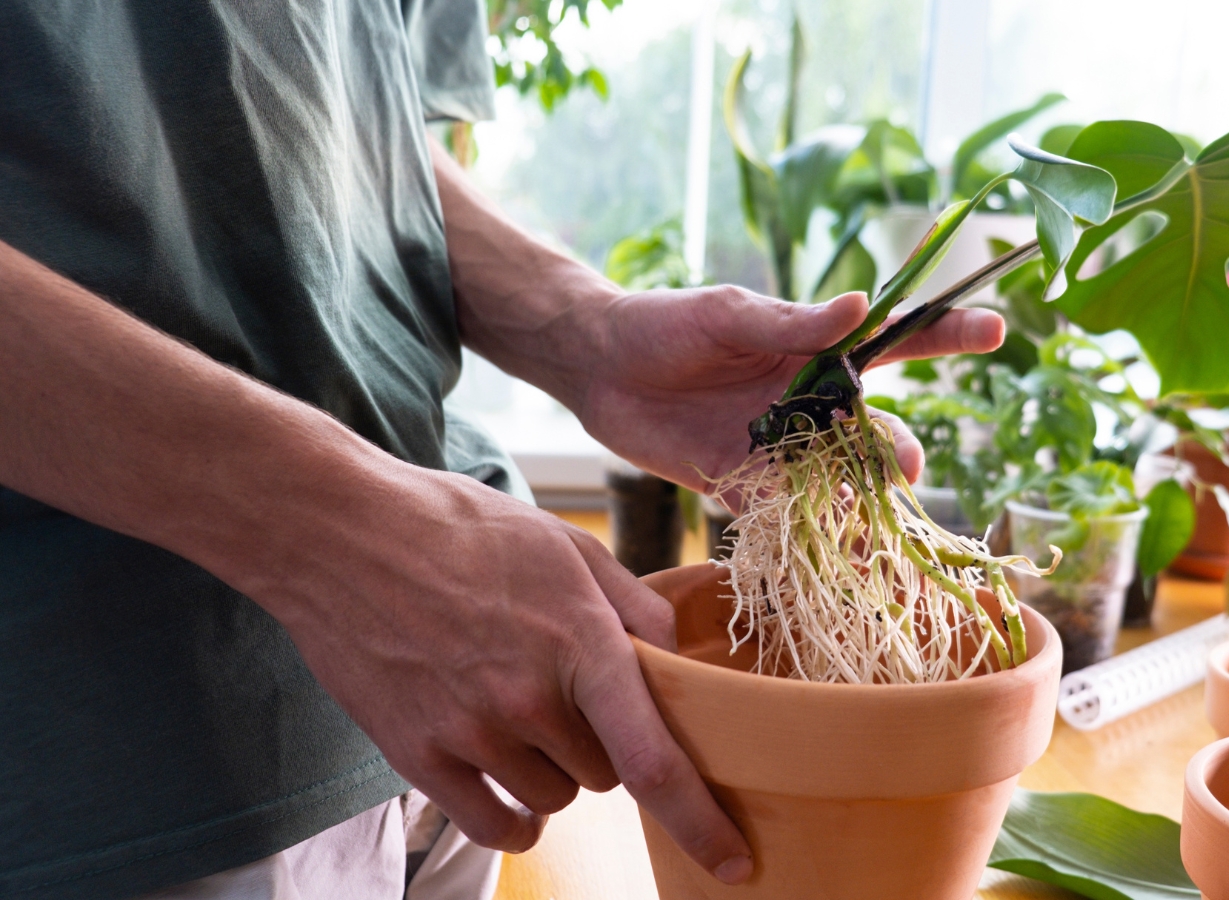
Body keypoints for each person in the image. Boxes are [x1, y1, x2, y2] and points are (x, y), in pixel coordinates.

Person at [0, 1, 1005, 898]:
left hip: (448, 719)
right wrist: (330, 532)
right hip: (127, 767)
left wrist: (580, 330)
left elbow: (358, 129)